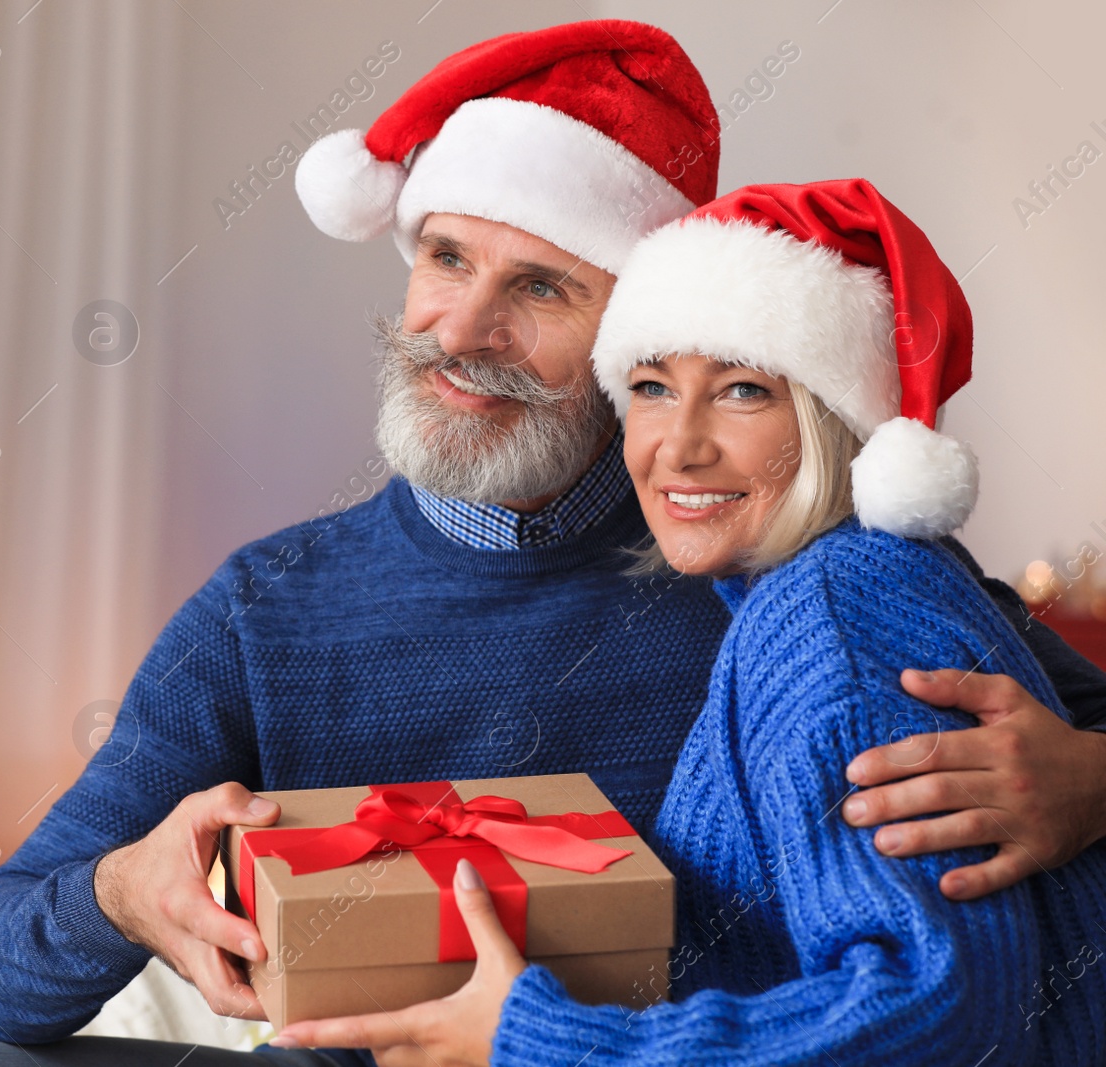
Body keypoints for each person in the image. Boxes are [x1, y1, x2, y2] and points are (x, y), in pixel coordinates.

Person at [0, 23, 1106, 1067]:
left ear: (634, 339)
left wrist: (1090, 779)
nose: (462, 327)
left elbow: (953, 964)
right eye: (445, 258)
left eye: (541, 289)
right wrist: (119, 890)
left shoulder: (757, 558)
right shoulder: (268, 610)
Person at [274, 179, 1106, 1065]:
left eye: (744, 390)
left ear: (835, 422)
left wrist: (547, 1042)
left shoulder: (834, 613)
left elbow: (939, 1013)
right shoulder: (836, 583)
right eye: (652, 387)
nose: (679, 444)